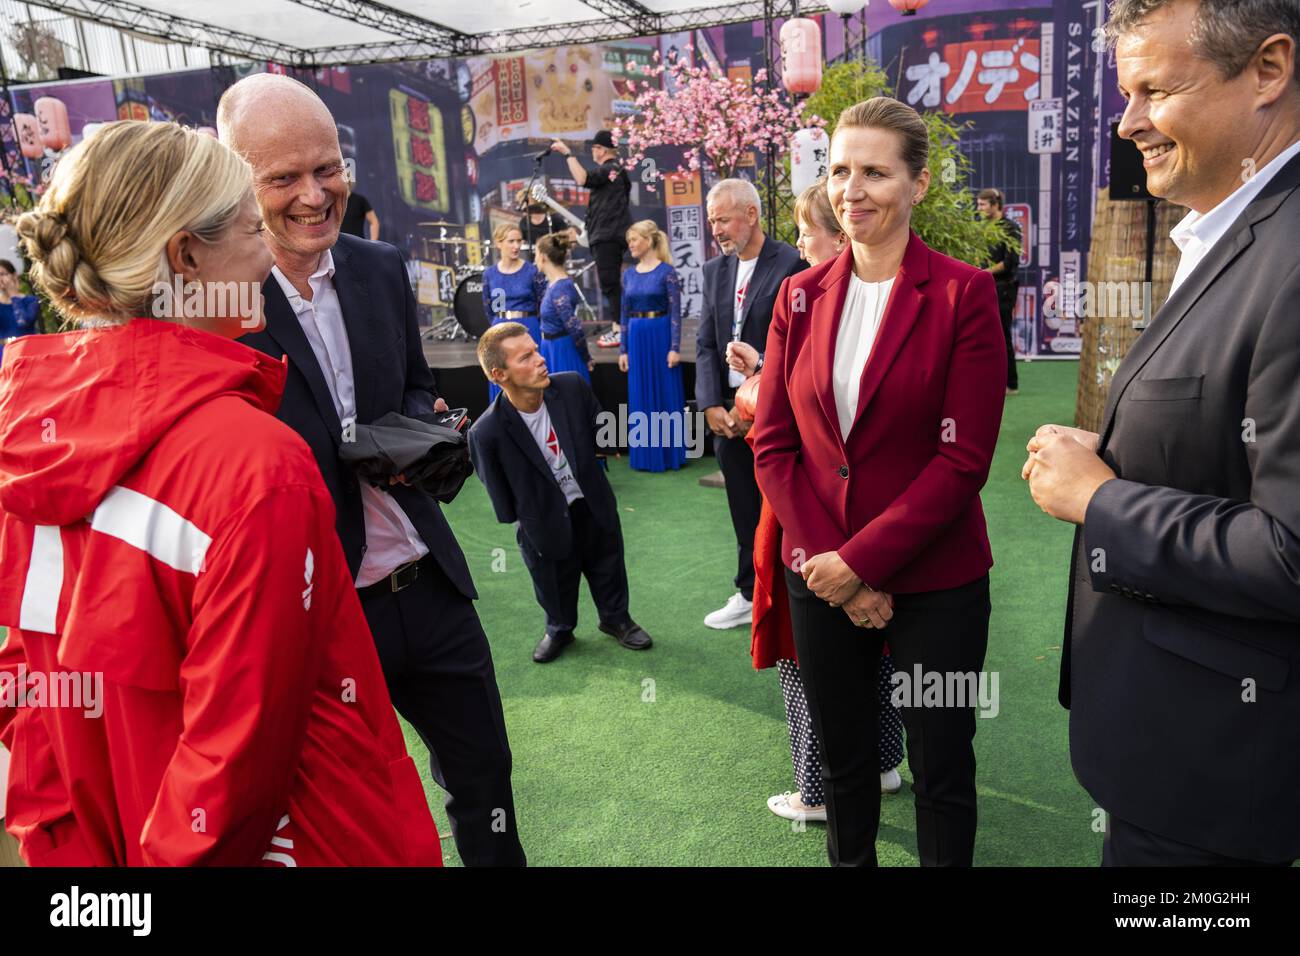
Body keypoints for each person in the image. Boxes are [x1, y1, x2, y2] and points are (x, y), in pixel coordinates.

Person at [0, 120, 442, 866]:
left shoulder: (27, 435)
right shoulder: (257, 466)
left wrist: (72, 866)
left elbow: (28, 693)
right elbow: (233, 770)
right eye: (248, 227)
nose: (268, 252)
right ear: (185, 257)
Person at [217, 73, 525, 867]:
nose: (316, 195)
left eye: (327, 168)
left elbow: (415, 387)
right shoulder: (216, 303)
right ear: (234, 177)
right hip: (316, 610)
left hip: (425, 581)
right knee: (351, 815)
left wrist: (419, 436)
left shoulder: (378, 264)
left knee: (485, 777)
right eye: (283, 177)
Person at [1025, 0, 1300, 867]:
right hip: (1175, 746)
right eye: (1123, 92)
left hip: (1218, 779)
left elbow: (1290, 550)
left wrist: (1100, 500)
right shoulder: (1233, 237)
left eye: (1154, 90)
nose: (1128, 119)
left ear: (1268, 70)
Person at [753, 97, 1005, 867]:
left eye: (874, 171)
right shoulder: (799, 295)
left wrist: (860, 563)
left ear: (919, 183)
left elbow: (962, 460)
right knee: (843, 765)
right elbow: (773, 444)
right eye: (838, 170)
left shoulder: (964, 294)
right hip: (821, 574)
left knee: (941, 769)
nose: (850, 190)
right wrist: (837, 568)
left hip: (936, 578)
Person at [731, 178, 904, 824]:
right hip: (840, 514)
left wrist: (750, 387)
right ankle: (879, 763)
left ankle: (818, 789)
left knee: (807, 656)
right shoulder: (813, 299)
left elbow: (777, 422)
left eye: (808, 229)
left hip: (816, 514)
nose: (799, 242)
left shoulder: (818, 300)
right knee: (860, 650)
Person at [467, 322, 653, 663]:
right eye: (526, 357)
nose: (540, 359)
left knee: (608, 563)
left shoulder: (571, 387)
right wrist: (534, 517)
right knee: (552, 580)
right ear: (499, 374)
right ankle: (559, 628)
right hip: (542, 520)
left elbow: (601, 431)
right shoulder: (486, 432)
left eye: (537, 350)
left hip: (592, 502)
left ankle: (616, 620)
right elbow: (502, 500)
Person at [696, 178, 806, 631]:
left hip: (777, 415)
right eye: (712, 221)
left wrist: (755, 407)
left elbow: (800, 344)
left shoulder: (791, 262)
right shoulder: (713, 271)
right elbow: (705, 344)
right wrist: (710, 406)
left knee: (784, 510)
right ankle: (748, 592)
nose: (716, 229)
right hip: (726, 417)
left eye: (723, 219)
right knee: (743, 509)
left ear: (752, 214)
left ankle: (791, 594)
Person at [550, 130, 630, 348]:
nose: (592, 152)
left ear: (602, 150)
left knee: (610, 282)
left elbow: (582, 178)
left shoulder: (611, 169)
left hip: (608, 235)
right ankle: (619, 327)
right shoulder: (614, 172)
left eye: (594, 148)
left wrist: (567, 154)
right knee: (610, 282)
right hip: (605, 234)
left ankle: (619, 329)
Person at [620, 220, 686, 472]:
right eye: (630, 240)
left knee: (665, 391)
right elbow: (623, 313)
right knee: (640, 394)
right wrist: (623, 349)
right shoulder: (628, 274)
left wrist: (675, 346)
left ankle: (670, 455)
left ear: (648, 240)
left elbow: (675, 313)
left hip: (659, 335)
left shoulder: (667, 272)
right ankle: (645, 455)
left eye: (634, 239)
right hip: (636, 337)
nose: (631, 245)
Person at [482, 223, 546, 402]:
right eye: (511, 241)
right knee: (503, 378)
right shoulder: (489, 274)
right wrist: (497, 326)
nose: (517, 246)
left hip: (528, 328)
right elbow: (489, 308)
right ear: (499, 243)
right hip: (499, 330)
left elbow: (543, 303)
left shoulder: (532, 271)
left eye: (519, 241)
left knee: (531, 377)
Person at [977, 187, 1020, 394]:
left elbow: (1010, 262)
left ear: (996, 205)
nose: (980, 208)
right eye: (978, 204)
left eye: (983, 204)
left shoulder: (1011, 228)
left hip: (1004, 288)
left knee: (1003, 335)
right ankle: (989, 380)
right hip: (983, 286)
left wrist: (984, 273)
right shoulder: (981, 227)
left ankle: (1011, 383)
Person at [535, 232, 592, 384]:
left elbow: (575, 327)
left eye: (536, 254)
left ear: (543, 257)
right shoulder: (552, 284)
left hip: (562, 351)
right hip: (552, 349)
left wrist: (586, 357)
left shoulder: (560, 288)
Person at [0, 259, 41, 364]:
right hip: (4, 354)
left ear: (13, 275)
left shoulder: (31, 301)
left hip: (27, 352)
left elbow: (23, 322)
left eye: (2, 274)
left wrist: (13, 295)